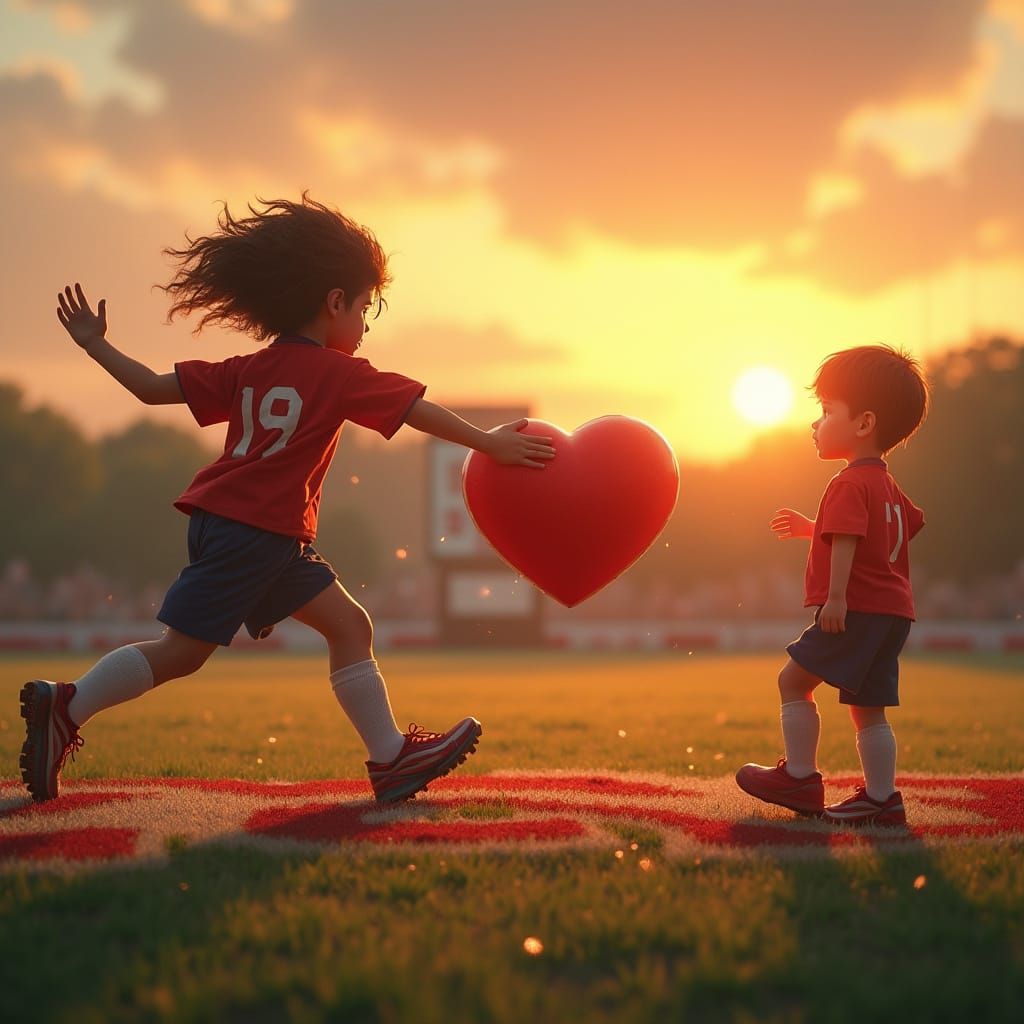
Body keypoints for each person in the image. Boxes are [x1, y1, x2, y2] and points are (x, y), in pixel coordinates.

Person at [20, 195, 555, 805]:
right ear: (333, 303)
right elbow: (415, 411)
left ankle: (391, 761)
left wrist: (95, 344)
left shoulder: (249, 367)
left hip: (246, 529)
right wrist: (488, 443)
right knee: (180, 653)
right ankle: (67, 705)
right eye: (363, 308)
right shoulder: (339, 373)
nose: (365, 325)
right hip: (256, 532)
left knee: (350, 625)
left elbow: (148, 389)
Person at [736, 344, 929, 827]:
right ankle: (883, 799)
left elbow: (847, 536)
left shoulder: (847, 483)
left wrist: (837, 597)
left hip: (856, 607)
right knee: (869, 709)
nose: (815, 424)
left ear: (864, 423)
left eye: (826, 411)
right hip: (893, 613)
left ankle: (800, 777)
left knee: (793, 681)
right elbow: (903, 524)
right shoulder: (887, 486)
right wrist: (813, 528)